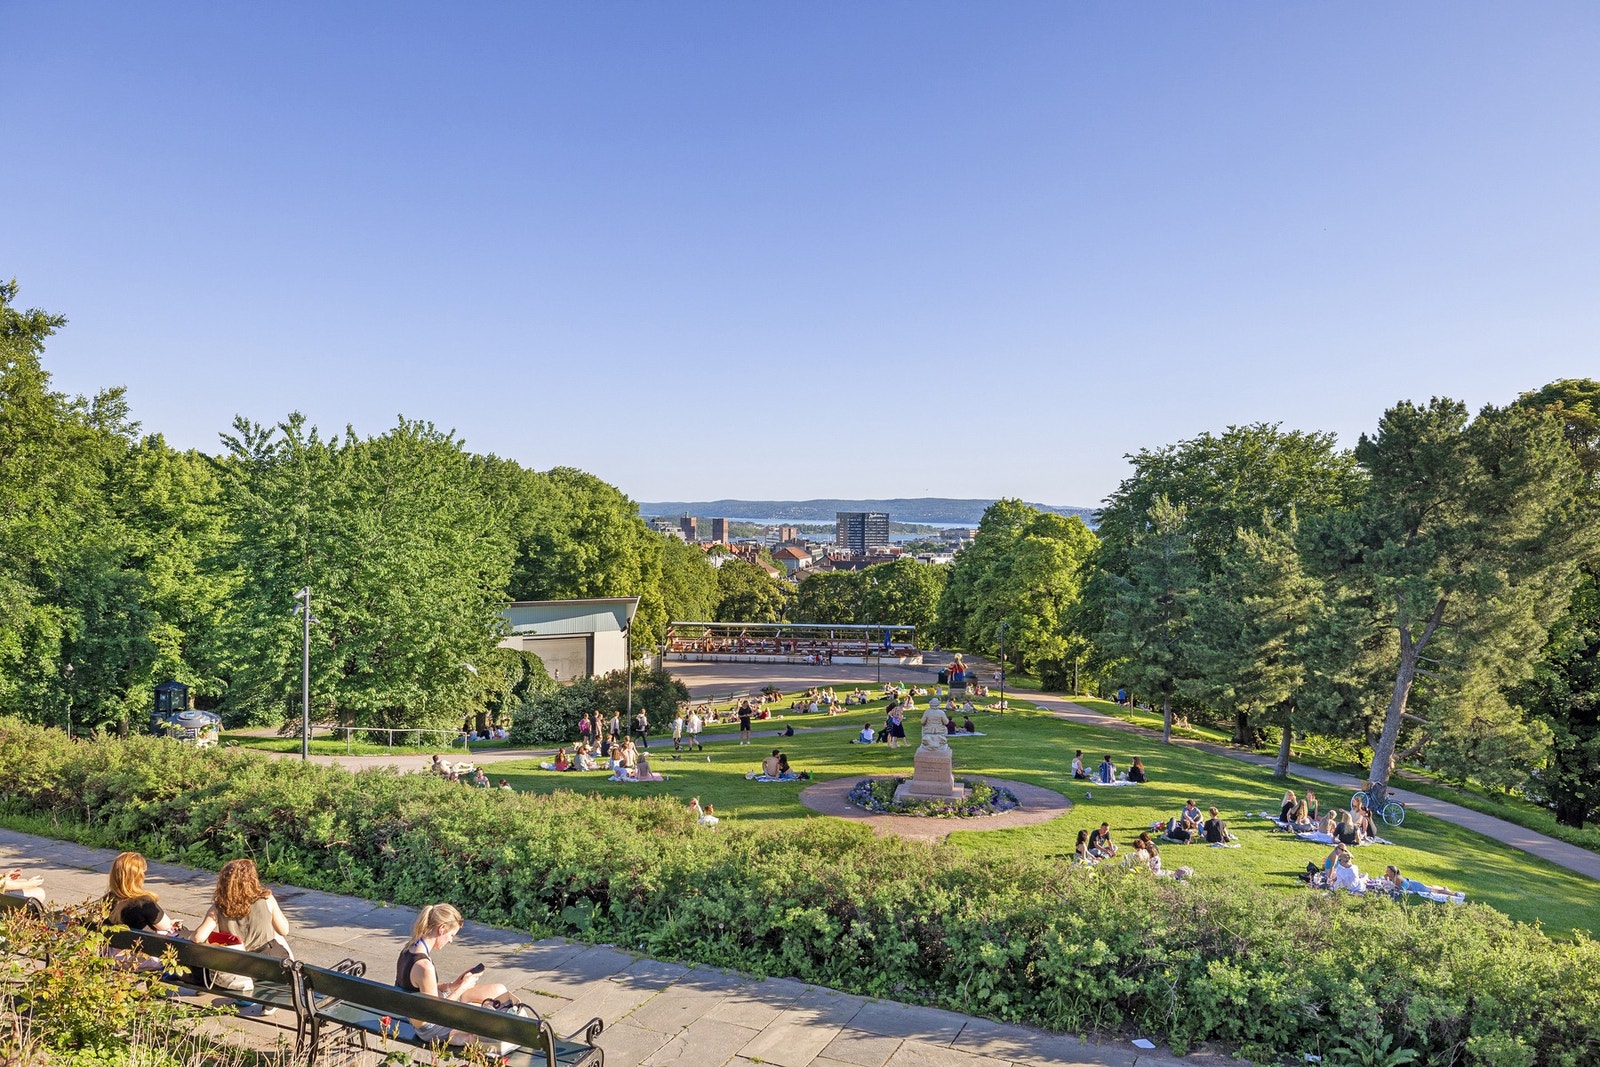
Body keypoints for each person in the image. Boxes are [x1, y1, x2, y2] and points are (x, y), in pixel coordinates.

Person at [396, 903, 514, 1049]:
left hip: (429, 1009)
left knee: (499, 991)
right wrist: (463, 987)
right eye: (451, 935)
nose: (451, 940)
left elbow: (418, 988)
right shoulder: (424, 966)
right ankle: (458, 1036)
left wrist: (451, 986)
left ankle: (461, 1034)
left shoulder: (410, 948)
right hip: (431, 1027)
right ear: (442, 929)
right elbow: (435, 1013)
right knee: (490, 1012)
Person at [191, 859, 292, 1012]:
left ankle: (244, 993)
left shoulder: (218, 907)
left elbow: (198, 937)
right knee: (280, 943)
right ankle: (271, 999)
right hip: (268, 959)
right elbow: (284, 930)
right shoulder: (267, 899)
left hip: (238, 964)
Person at [1382, 865, 1455, 899]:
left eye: (1388, 871)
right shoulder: (1394, 877)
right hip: (1414, 884)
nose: (1386, 872)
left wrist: (1387, 882)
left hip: (1416, 887)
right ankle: (1443, 888)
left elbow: (1399, 889)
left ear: (1392, 872)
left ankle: (1452, 894)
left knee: (1436, 892)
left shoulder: (1396, 878)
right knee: (1430, 887)